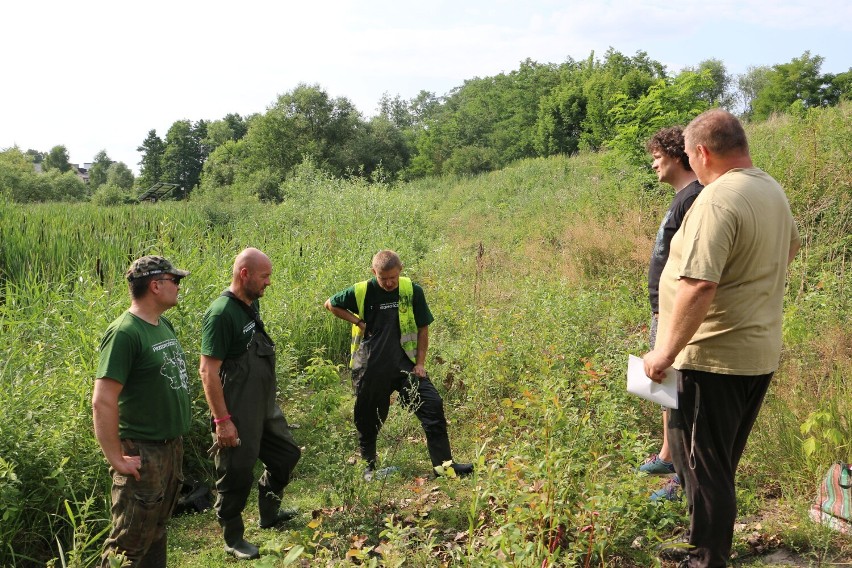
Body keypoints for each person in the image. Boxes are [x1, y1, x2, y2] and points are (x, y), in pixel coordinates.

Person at [644, 109, 800, 568]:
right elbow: (788, 248)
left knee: (702, 469)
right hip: (755, 351)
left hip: (712, 358)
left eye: (691, 155)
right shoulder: (769, 188)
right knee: (713, 466)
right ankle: (702, 544)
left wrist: (664, 353)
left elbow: (698, 284)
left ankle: (707, 559)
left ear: (702, 152)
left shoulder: (716, 199)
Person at [324, 250, 473, 481]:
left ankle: (444, 467)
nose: (389, 282)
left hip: (405, 366)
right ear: (374, 273)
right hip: (370, 368)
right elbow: (330, 304)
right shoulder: (362, 291)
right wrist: (358, 322)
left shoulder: (411, 291)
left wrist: (420, 363)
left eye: (393, 277)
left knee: (432, 405)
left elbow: (423, 327)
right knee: (368, 418)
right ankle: (369, 470)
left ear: (400, 270)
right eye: (384, 278)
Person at [199, 248, 301, 560]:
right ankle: (233, 539)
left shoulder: (250, 303)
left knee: (286, 455)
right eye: (264, 276)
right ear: (245, 274)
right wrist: (223, 421)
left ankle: (269, 514)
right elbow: (208, 371)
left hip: (263, 405)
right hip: (236, 408)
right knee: (236, 473)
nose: (268, 282)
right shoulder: (220, 314)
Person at [92, 255, 191, 567]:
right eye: (175, 280)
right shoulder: (124, 333)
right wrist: (115, 457)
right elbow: (103, 400)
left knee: (156, 531)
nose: (178, 286)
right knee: (128, 543)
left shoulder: (162, 324)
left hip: (169, 448)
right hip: (142, 452)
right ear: (155, 285)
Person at [639, 127, 703, 502]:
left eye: (657, 157)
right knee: (666, 387)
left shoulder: (695, 197)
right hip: (663, 308)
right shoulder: (683, 197)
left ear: (676, 155)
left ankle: (682, 475)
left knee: (678, 390)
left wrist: (671, 311)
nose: (653, 165)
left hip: (675, 311)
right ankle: (667, 455)